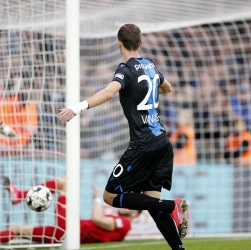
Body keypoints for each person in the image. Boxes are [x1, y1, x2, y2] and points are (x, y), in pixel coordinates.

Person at [59, 24, 188, 249]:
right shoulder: (151, 65)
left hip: (143, 145)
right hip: (162, 143)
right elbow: (168, 88)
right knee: (152, 203)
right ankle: (179, 247)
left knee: (110, 197)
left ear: (119, 44)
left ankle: (172, 205)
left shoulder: (125, 70)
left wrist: (78, 107)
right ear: (141, 43)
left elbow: (109, 92)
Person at [0, 176, 140, 244]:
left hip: (71, 228)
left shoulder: (125, 223)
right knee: (17, 229)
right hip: (64, 234)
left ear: (135, 213)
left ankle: (19, 195)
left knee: (64, 182)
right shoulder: (120, 226)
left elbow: (98, 219)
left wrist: (97, 198)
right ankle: (18, 196)